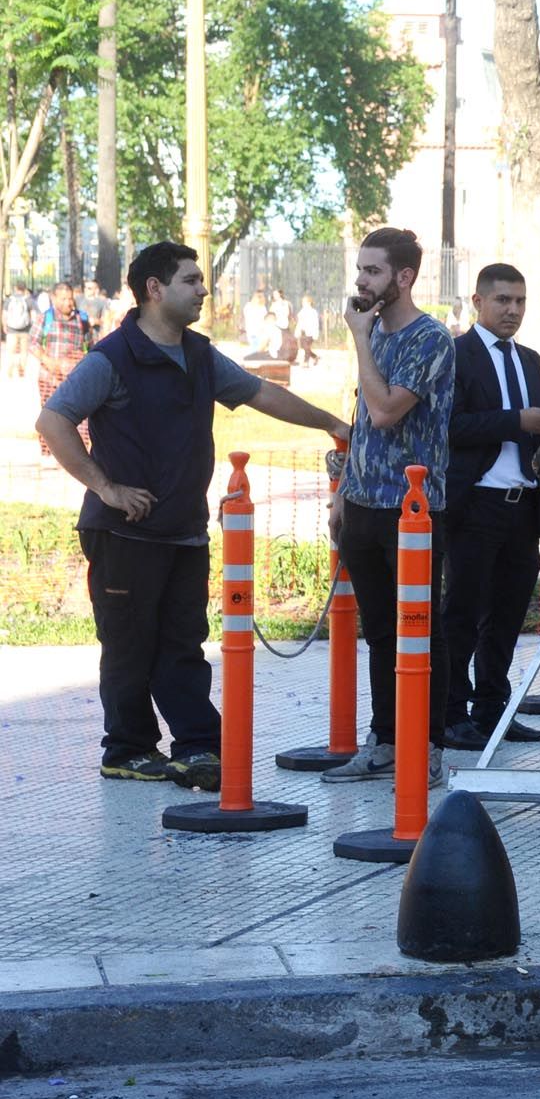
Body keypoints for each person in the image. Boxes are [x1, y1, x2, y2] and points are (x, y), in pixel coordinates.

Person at [35, 242, 348, 788]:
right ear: (154, 289)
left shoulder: (200, 355)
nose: (204, 289)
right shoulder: (112, 357)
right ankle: (127, 749)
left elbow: (263, 395)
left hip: (183, 533)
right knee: (131, 647)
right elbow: (54, 422)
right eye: (191, 280)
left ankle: (198, 749)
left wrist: (333, 424)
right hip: (123, 534)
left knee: (183, 643)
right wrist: (105, 488)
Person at [321, 228, 457, 790]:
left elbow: (383, 412)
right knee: (379, 631)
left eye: (372, 271)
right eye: (360, 270)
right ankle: (384, 739)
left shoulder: (430, 340)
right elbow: (360, 426)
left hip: (413, 511)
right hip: (363, 505)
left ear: (403, 278)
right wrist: (341, 493)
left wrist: (360, 341)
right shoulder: (372, 331)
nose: (360, 281)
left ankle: (428, 743)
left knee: (420, 632)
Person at [439, 263, 540, 751]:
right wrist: (517, 421)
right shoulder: (456, 356)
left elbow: (539, 422)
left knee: (507, 617)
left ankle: (492, 709)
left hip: (522, 504)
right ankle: (450, 713)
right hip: (474, 504)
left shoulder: (530, 359)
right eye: (503, 300)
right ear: (478, 302)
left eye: (520, 301)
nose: (512, 310)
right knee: (461, 613)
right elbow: (451, 426)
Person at [35, 283, 93, 457]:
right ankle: (47, 453)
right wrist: (49, 361)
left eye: (70, 298)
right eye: (64, 299)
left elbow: (91, 347)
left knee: (79, 418)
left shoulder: (82, 319)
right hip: (49, 379)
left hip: (74, 379)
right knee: (50, 415)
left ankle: (76, 457)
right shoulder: (46, 318)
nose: (69, 303)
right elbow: (33, 344)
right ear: (54, 299)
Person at [5, 279, 34, 377]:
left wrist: (5, 325)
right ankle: (22, 369)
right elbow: (33, 315)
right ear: (25, 288)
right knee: (24, 351)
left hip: (11, 330)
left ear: (15, 288)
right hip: (25, 330)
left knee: (10, 351)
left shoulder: (9, 300)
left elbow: (4, 314)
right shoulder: (28, 300)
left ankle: (10, 369)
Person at [295, 294, 321, 366]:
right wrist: (297, 331)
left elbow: (316, 324)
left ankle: (306, 362)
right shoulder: (302, 312)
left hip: (311, 332)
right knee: (304, 347)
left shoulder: (313, 312)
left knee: (306, 347)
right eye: (302, 302)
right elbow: (300, 323)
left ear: (309, 303)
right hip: (303, 332)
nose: (303, 303)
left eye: (304, 302)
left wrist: (316, 333)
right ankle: (315, 357)